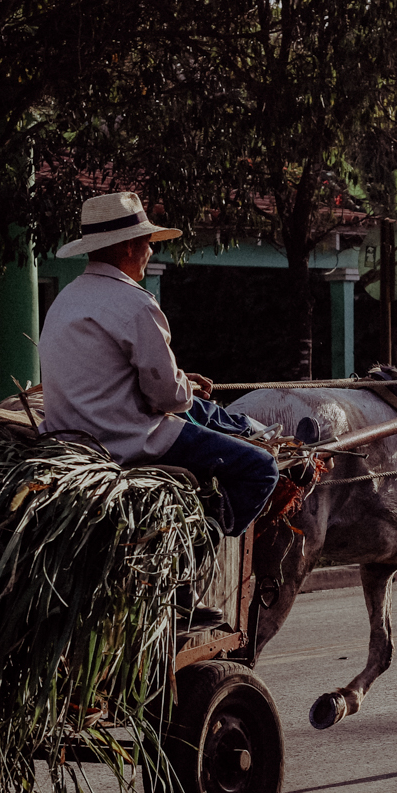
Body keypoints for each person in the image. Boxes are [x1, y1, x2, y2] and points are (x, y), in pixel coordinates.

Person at [39, 191, 280, 538]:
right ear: (128, 247)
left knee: (195, 404)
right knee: (261, 468)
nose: (150, 251)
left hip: (70, 432)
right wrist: (181, 387)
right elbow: (168, 398)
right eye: (147, 243)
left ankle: (247, 428)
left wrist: (183, 384)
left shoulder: (66, 299)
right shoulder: (136, 304)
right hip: (124, 439)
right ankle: (202, 542)